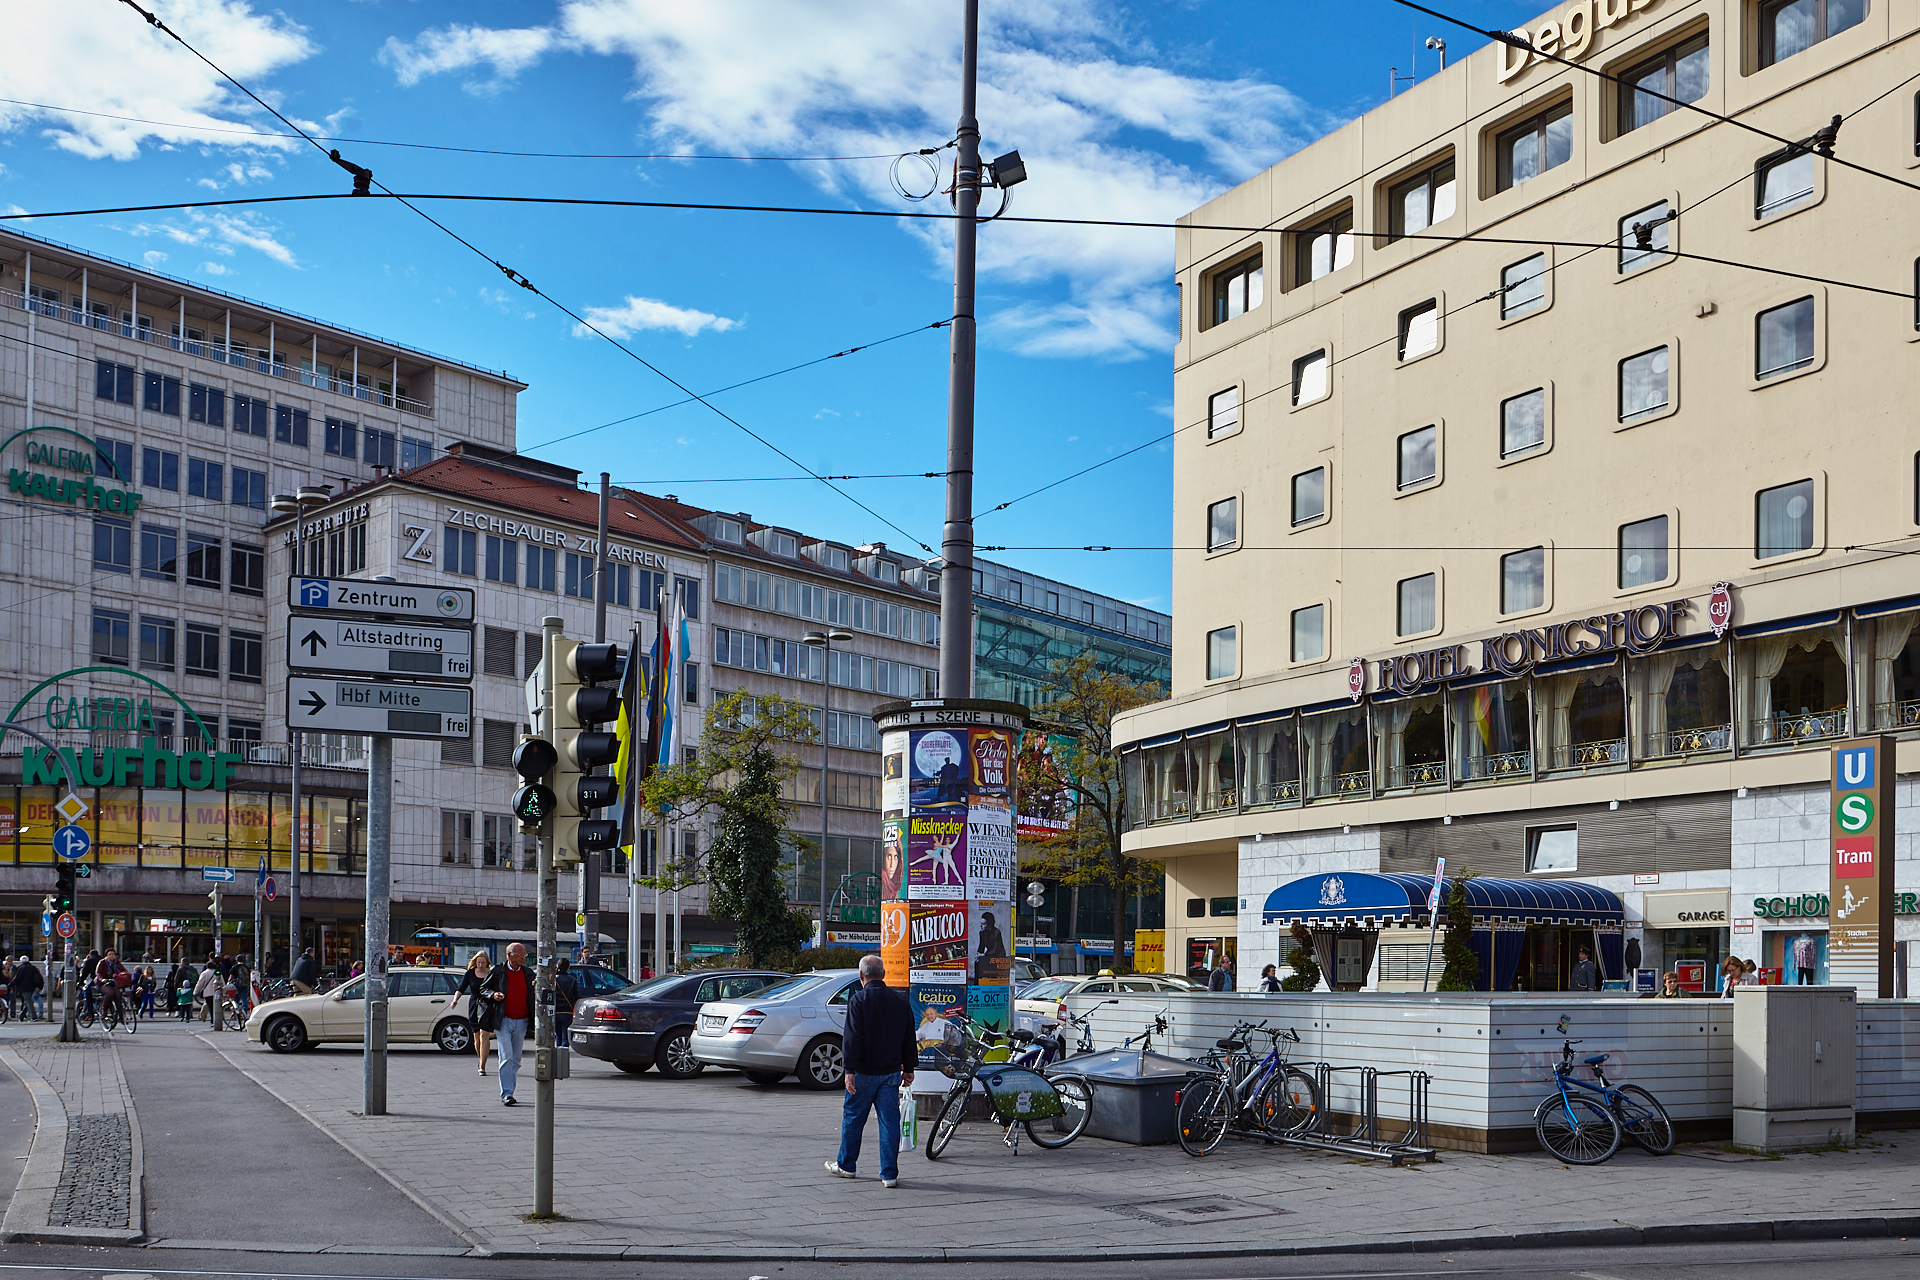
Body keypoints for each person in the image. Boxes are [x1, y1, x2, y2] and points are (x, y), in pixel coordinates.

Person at [826, 954, 915, 1188]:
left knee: (854, 1119)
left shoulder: (858, 1000)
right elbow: (908, 1037)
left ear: (861, 975)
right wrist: (909, 1067)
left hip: (864, 1072)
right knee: (889, 1122)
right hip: (891, 1072)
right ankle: (889, 1174)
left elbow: (852, 1038)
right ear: (883, 974)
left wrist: (849, 1070)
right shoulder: (899, 1001)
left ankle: (846, 1165)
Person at [481, 943, 536, 1105]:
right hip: (503, 1020)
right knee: (506, 1056)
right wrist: (493, 994)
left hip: (523, 1020)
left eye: (524, 955)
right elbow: (483, 989)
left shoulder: (528, 973)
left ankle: (509, 1087)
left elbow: (534, 992)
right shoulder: (498, 972)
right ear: (510, 955)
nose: (524, 958)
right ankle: (507, 1093)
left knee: (516, 1059)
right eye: (520, 955)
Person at [456, 952, 497, 1075]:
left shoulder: (491, 973)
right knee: (476, 1037)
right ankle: (480, 1059)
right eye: (478, 962)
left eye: (483, 962)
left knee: (485, 1034)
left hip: (487, 1005)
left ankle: (482, 1066)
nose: (480, 965)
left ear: (487, 962)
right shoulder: (470, 973)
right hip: (474, 1004)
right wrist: (455, 1000)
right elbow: (461, 988)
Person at [554, 957, 579, 1048]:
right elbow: (576, 996)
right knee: (566, 1037)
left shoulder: (554, 980)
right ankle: (563, 1057)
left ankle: (557, 1057)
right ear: (568, 968)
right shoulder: (572, 980)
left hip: (556, 1010)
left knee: (558, 1037)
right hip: (568, 1011)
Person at [12, 956, 41, 1021]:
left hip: (23, 988)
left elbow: (17, 979)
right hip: (32, 987)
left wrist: (10, 984)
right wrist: (40, 986)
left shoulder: (21, 968)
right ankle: (21, 1016)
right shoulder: (33, 968)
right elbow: (39, 977)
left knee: (28, 1002)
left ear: (21, 961)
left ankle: (34, 1017)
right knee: (28, 1001)